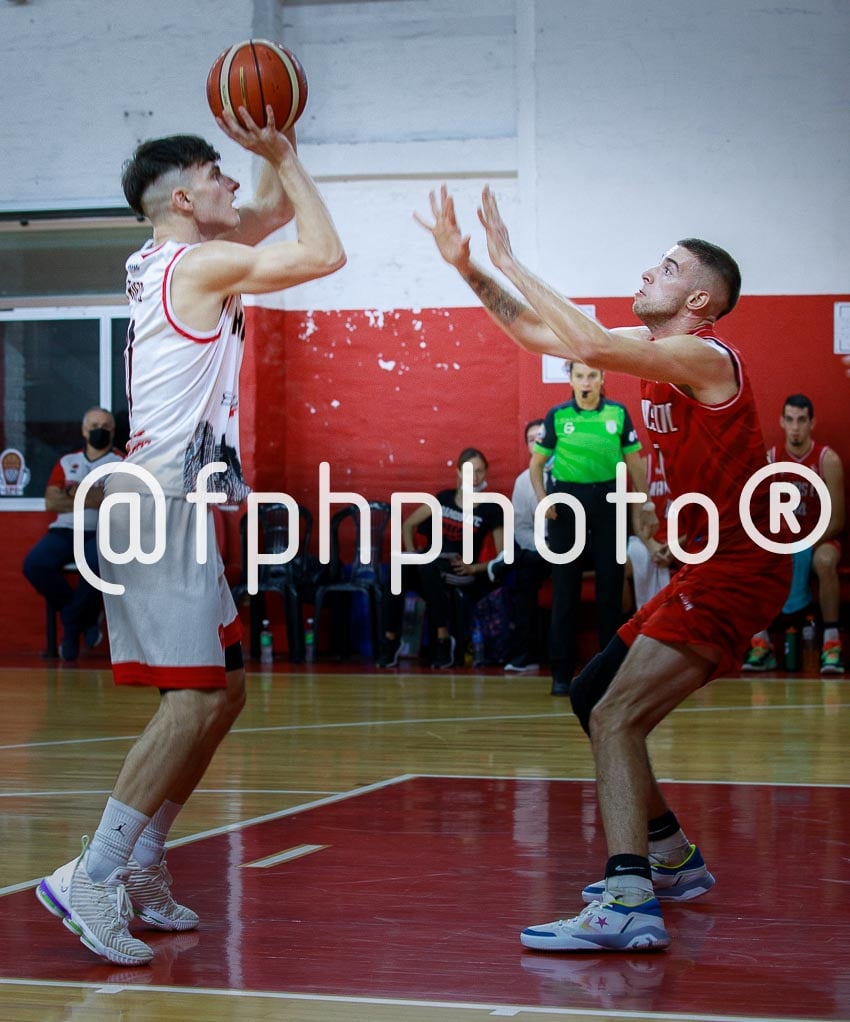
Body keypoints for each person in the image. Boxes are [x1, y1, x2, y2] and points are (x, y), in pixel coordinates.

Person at [416, 184, 790, 952]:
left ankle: (627, 901)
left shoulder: (703, 355)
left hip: (737, 568)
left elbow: (585, 345)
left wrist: (509, 256)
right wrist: (469, 268)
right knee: (593, 696)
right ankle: (672, 858)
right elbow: (541, 336)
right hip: (703, 569)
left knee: (617, 717)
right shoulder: (652, 352)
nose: (649, 271)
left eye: (668, 267)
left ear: (698, 299)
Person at [35, 106, 345, 966]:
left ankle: (139, 859)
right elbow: (322, 250)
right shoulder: (201, 264)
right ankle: (92, 874)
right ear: (181, 198)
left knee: (226, 690)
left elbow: (268, 210)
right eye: (216, 173)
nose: (232, 182)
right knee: (194, 700)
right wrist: (284, 157)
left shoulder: (162, 257)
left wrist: (277, 136)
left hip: (173, 504)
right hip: (159, 505)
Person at [527, 361, 651, 696]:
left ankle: (607, 675)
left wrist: (646, 503)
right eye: (579, 376)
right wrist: (543, 500)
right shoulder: (557, 416)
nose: (586, 382)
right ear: (570, 380)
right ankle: (561, 674)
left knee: (610, 593)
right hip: (566, 506)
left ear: (601, 378)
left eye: (592, 375)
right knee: (564, 592)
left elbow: (635, 462)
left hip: (609, 503)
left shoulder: (617, 413)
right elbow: (536, 465)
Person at [742, 394, 845, 674]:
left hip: (821, 537)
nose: (795, 427)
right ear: (782, 422)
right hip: (784, 539)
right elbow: (759, 514)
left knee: (825, 561)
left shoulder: (827, 459)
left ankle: (831, 642)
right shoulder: (772, 459)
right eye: (790, 420)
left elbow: (837, 519)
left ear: (812, 423)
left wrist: (805, 543)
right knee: (753, 558)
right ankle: (761, 643)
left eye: (801, 420)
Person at [378, 448, 504, 669]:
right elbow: (408, 525)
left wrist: (474, 568)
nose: (475, 477)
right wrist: (412, 553)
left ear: (486, 473)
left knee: (427, 565)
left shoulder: (491, 508)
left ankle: (443, 639)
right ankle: (391, 640)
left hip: (459, 571)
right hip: (429, 567)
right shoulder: (444, 498)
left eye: (480, 471)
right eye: (469, 471)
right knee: (399, 566)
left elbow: (503, 556)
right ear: (458, 472)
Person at [22, 407, 123, 661]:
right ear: (84, 431)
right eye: (94, 425)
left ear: (113, 432)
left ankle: (70, 627)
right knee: (34, 564)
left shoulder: (122, 463)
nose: (99, 430)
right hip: (64, 531)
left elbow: (115, 501)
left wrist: (72, 493)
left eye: (105, 426)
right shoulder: (67, 462)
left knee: (94, 562)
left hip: (101, 533)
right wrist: (93, 496)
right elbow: (51, 502)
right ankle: (84, 619)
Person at [501, 419, 552, 674]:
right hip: (541, 549)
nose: (537, 443)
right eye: (531, 440)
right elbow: (520, 528)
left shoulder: (573, 471)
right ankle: (525, 654)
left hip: (577, 546)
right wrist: (543, 547)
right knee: (524, 573)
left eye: (541, 437)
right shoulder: (523, 482)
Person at [624, 449, 677, 614]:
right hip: (648, 540)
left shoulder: (687, 462)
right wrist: (653, 547)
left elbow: (701, 524)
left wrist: (676, 547)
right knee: (618, 564)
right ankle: (629, 620)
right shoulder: (643, 463)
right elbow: (638, 520)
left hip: (684, 541)